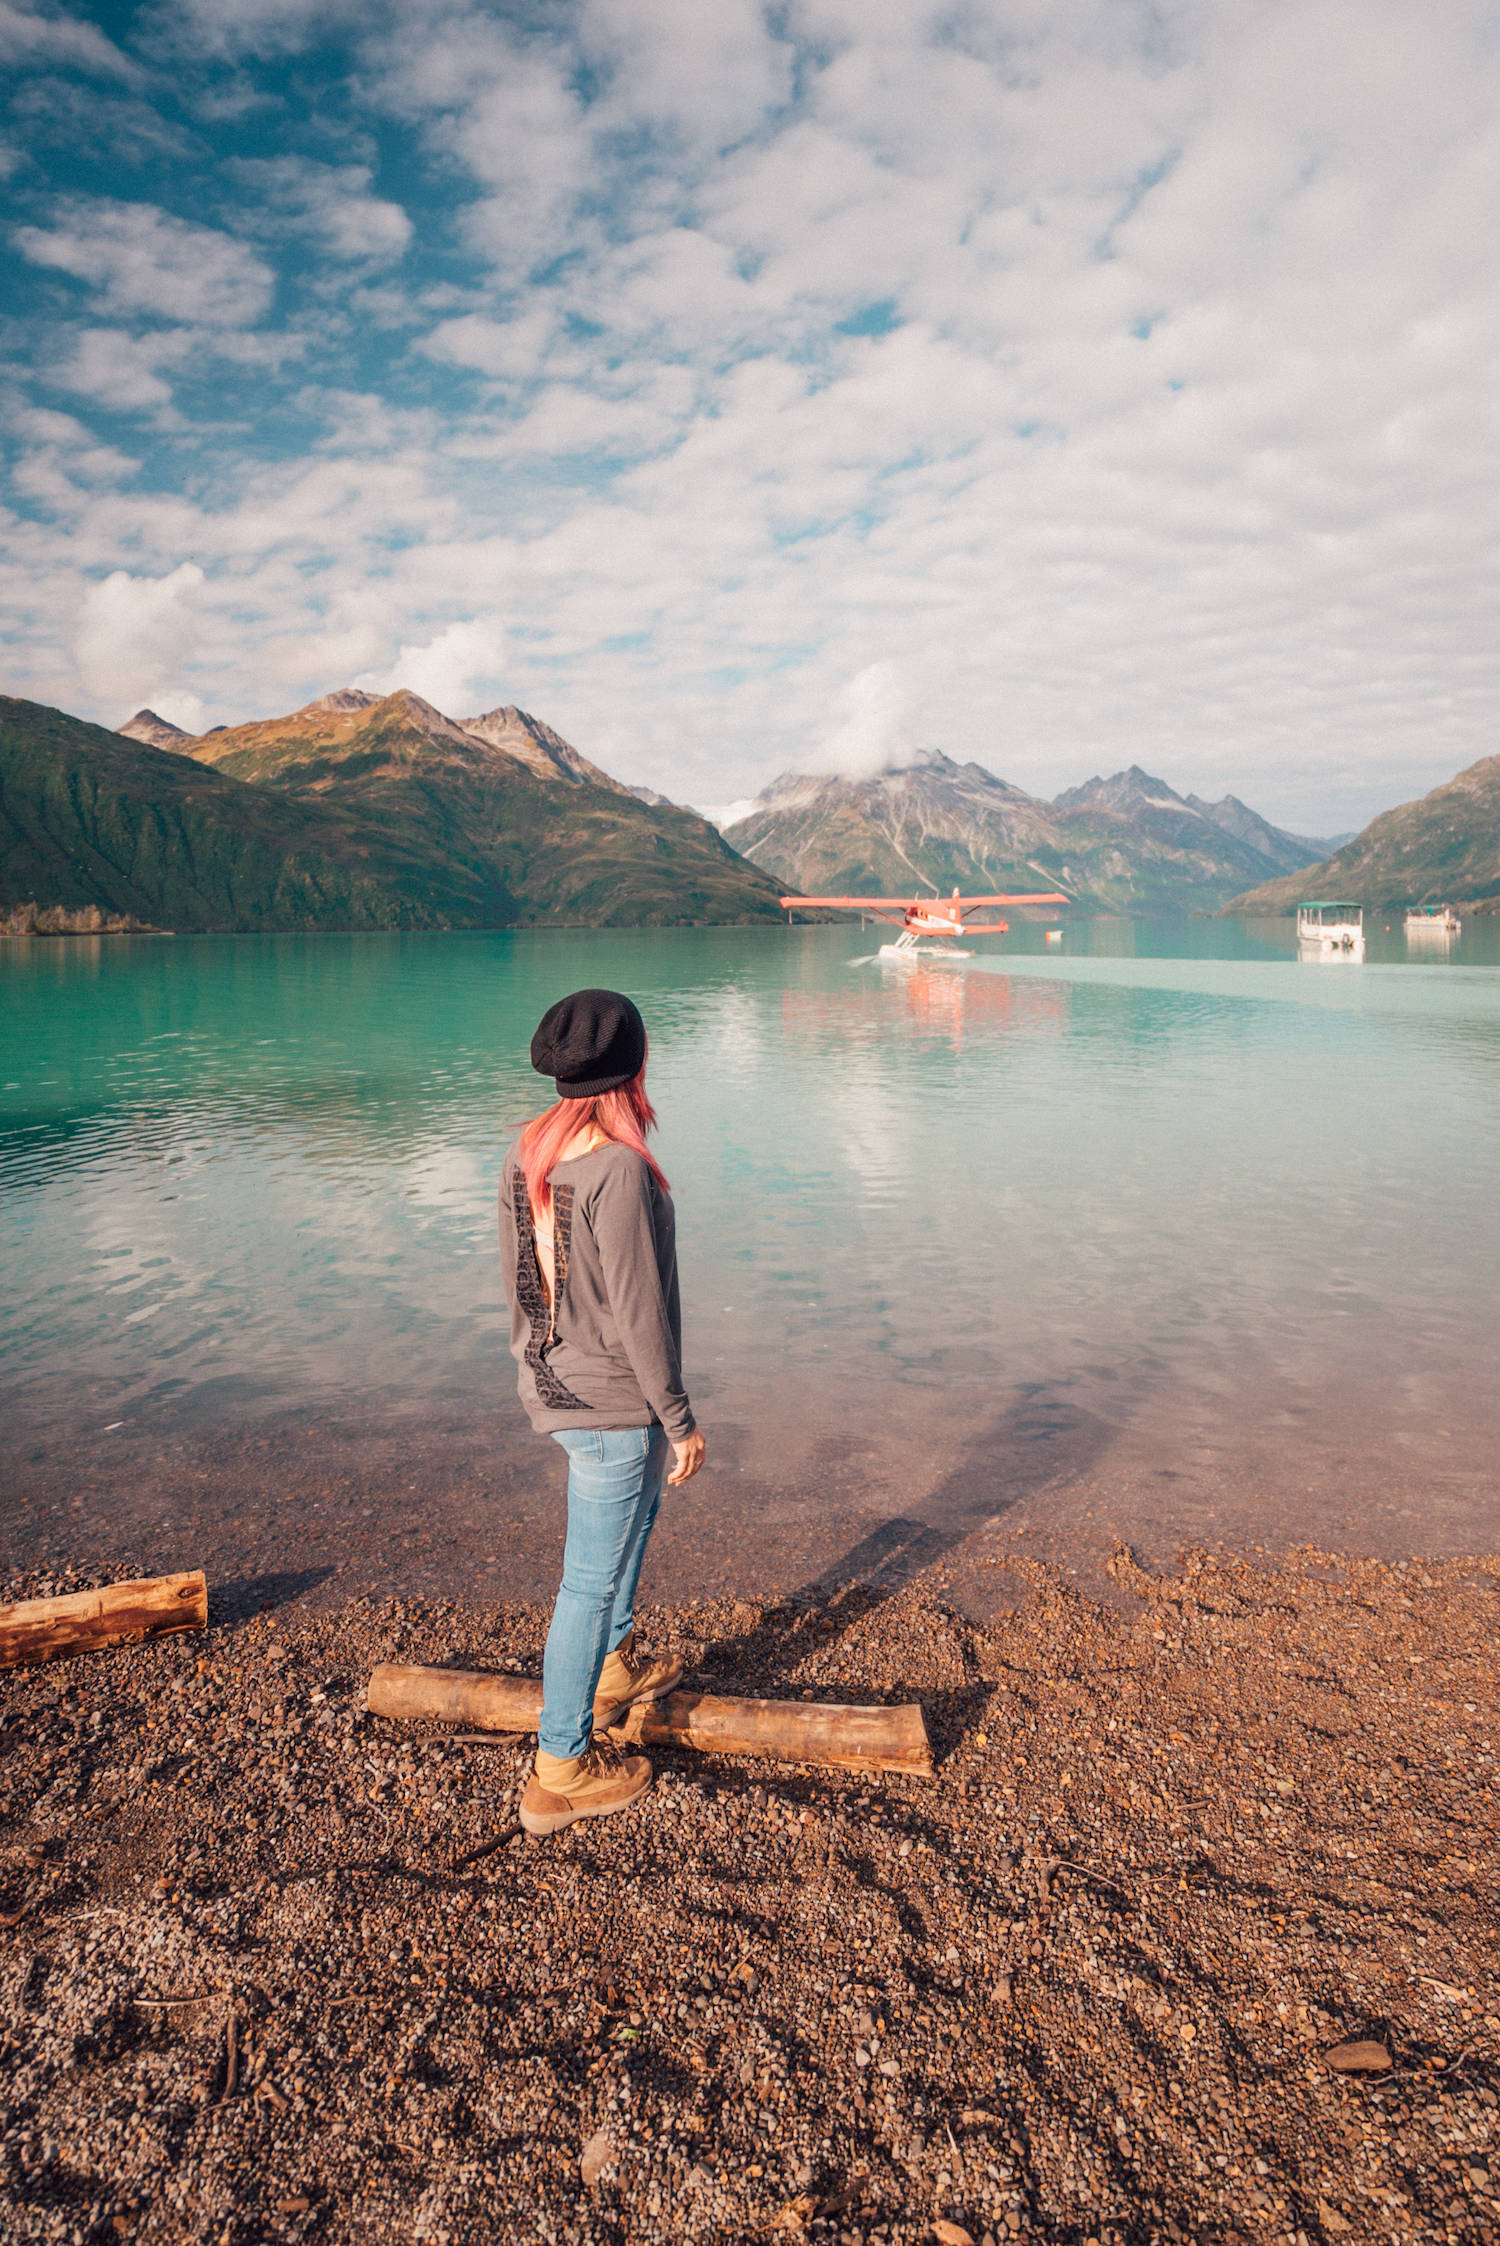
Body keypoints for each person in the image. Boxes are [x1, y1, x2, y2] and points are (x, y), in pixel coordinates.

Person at [497, 988, 706, 1837]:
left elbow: (518, 1286)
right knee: (585, 1580)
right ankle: (559, 1769)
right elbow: (638, 1313)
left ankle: (613, 1669)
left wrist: (534, 1373)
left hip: (561, 1391)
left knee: (635, 1523)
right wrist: (680, 1417)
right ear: (635, 1069)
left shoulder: (529, 1153)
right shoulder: (617, 1169)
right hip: (618, 1403)